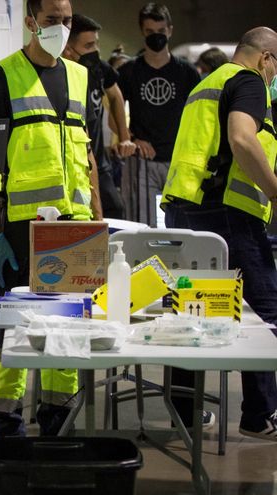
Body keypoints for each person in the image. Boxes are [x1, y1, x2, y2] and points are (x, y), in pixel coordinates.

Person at [0, 0, 102, 438]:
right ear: (30, 21)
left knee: (67, 330)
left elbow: (88, 160)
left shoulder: (82, 75)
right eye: (52, 21)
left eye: (67, 21)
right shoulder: (1, 76)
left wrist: (98, 226)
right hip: (20, 229)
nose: (61, 29)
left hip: (74, 227)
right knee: (10, 331)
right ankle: (5, 424)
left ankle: (57, 422)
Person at [161, 27, 277, 441]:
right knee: (266, 311)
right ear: (265, 59)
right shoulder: (248, 81)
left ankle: (185, 414)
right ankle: (260, 415)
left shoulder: (207, 83)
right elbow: (242, 138)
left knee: (191, 312)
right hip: (226, 213)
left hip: (185, 208)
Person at [118, 3, 201, 226]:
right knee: (142, 226)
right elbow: (113, 114)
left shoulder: (187, 72)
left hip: (178, 159)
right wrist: (132, 138)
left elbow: (199, 116)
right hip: (143, 160)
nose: (156, 37)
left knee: (182, 225)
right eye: (150, 32)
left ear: (170, 30)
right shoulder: (129, 71)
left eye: (161, 32)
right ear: (142, 32)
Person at [63, 13, 136, 219]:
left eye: (96, 44)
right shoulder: (60, 75)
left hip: (99, 161)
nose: (95, 51)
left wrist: (124, 137)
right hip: (73, 164)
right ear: (68, 48)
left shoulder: (99, 69)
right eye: (88, 46)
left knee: (115, 209)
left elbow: (116, 97)